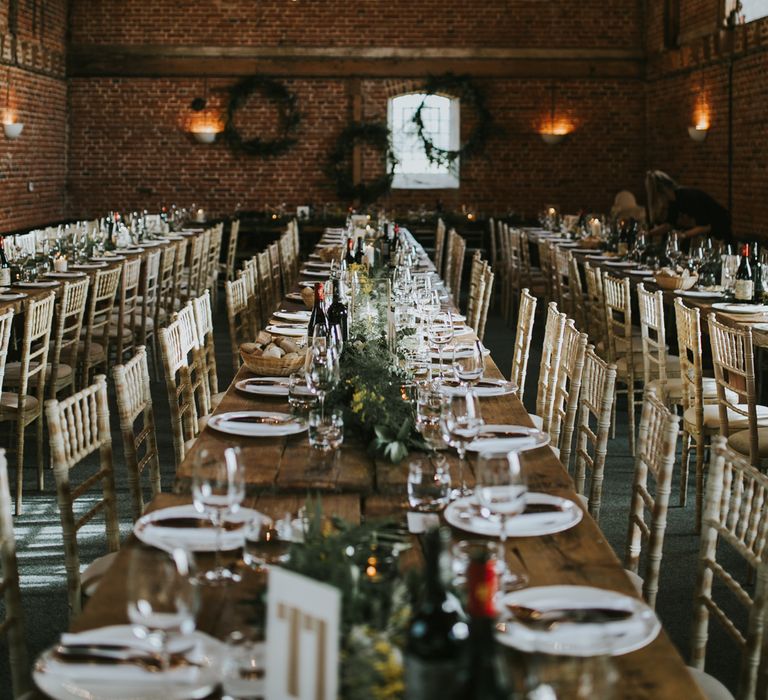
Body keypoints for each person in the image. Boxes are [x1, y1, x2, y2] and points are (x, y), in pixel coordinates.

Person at [645, 170, 731, 244]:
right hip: (709, 231)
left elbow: (705, 226)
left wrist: (683, 235)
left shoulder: (687, 196)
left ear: (663, 190)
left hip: (720, 228)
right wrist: (648, 233)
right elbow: (669, 224)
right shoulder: (673, 201)